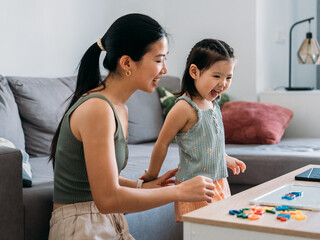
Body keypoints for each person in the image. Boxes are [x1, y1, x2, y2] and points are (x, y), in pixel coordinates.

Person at [48, 13, 216, 239]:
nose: (164, 69)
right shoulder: (97, 109)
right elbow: (107, 199)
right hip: (81, 226)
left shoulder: (118, 108)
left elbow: (101, 177)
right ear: (127, 63)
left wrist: (143, 186)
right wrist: (179, 191)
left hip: (105, 220)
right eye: (158, 60)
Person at [140, 39, 246, 222]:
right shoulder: (184, 108)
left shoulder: (213, 103)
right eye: (216, 76)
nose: (223, 83)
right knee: (202, 230)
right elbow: (162, 144)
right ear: (195, 72)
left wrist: (224, 158)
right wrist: (151, 175)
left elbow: (210, 142)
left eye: (228, 77)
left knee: (222, 229)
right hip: (194, 187)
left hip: (219, 181)